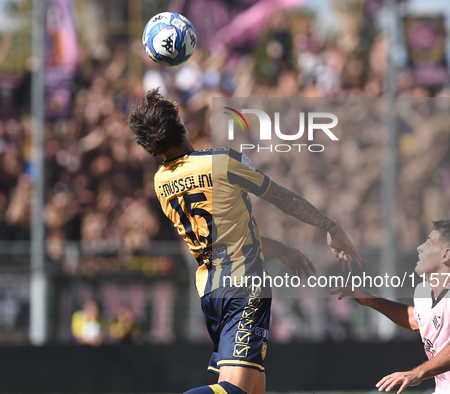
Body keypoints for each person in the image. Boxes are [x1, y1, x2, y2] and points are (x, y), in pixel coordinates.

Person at [128, 88, 361, 394]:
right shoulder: (223, 162)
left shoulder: (162, 183)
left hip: (212, 292)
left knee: (252, 390)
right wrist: (330, 225)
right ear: (180, 123)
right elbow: (282, 198)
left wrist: (282, 251)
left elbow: (228, 236)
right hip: (245, 286)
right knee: (234, 391)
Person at [332, 220, 450, 394]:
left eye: (429, 242)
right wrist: (370, 300)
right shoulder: (425, 291)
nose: (420, 247)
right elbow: (417, 320)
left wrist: (416, 373)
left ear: (446, 255)